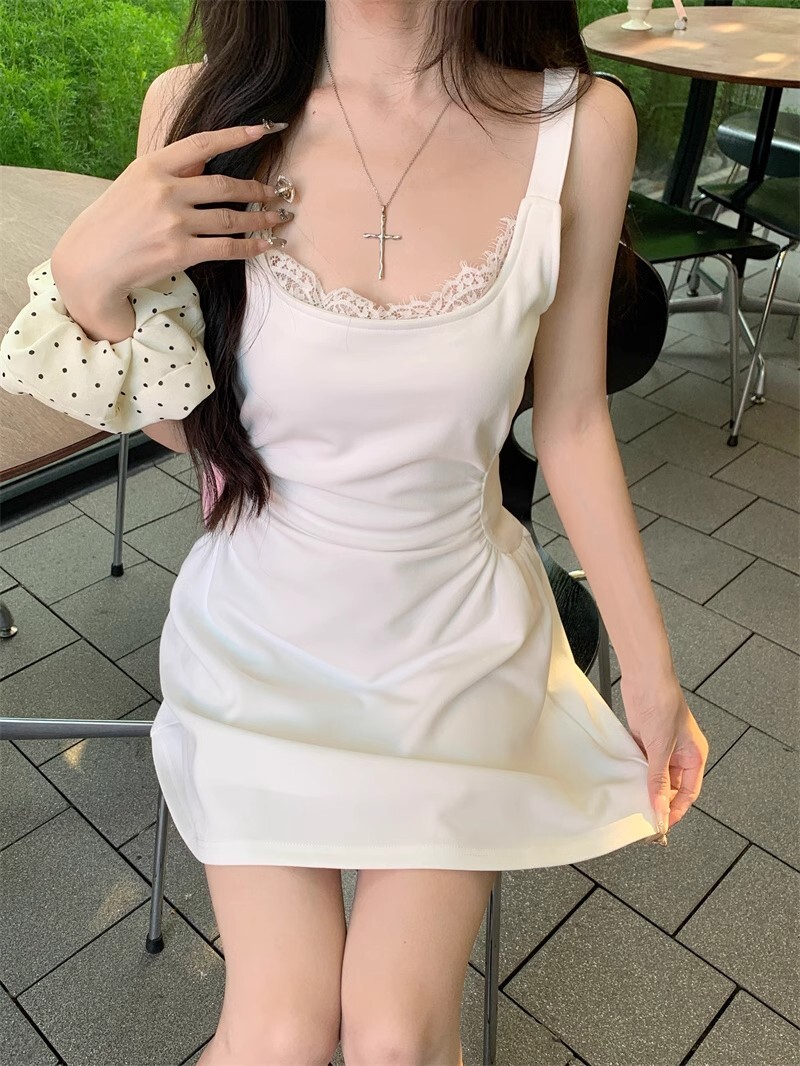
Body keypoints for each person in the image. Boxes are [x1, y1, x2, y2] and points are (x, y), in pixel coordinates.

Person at [0, 1, 710, 1063]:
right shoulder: (200, 111)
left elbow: (568, 423)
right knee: (280, 1035)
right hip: (257, 646)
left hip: (458, 647)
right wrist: (89, 281)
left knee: (393, 1039)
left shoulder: (581, 124)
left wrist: (651, 675)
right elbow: (193, 426)